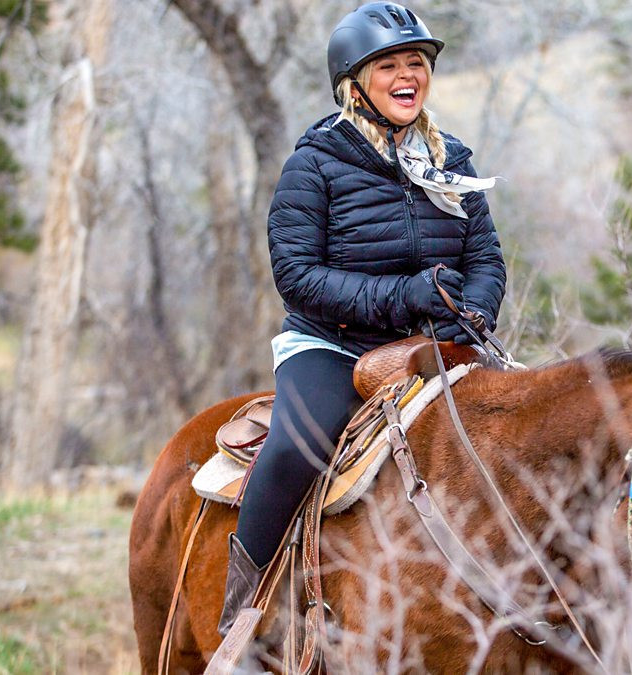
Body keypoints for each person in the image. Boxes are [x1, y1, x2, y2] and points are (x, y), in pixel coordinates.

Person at [217, 1, 506, 635]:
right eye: (390, 65)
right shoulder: (314, 164)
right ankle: (244, 618)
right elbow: (296, 277)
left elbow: (486, 256)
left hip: (437, 344)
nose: (409, 75)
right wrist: (404, 299)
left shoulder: (451, 160)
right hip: (332, 349)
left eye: (417, 63)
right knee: (301, 445)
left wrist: (474, 311)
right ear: (355, 83)